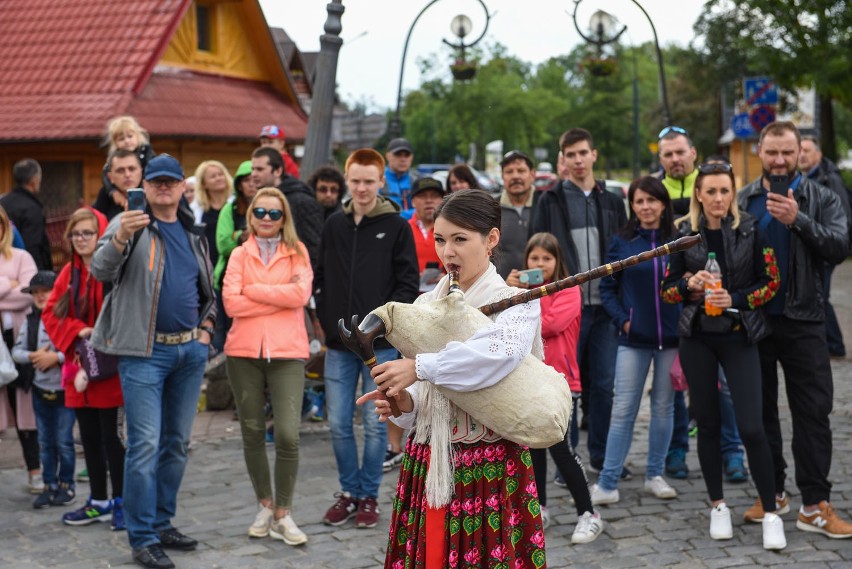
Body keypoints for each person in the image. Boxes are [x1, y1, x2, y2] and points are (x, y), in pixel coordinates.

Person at [357, 189, 547, 566]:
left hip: (491, 460)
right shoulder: (426, 305)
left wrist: (419, 366)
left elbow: (498, 356)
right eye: (441, 240)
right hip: (429, 458)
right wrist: (403, 399)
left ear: (491, 239)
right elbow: (424, 396)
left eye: (460, 239)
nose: (448, 252)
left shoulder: (518, 302)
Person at [91, 154, 216, 569]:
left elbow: (207, 291)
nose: (163, 188)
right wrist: (121, 236)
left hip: (189, 351)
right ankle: (142, 537)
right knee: (144, 445)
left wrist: (206, 331)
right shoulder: (129, 223)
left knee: (176, 444)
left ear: (183, 187)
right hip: (143, 353)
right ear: (144, 186)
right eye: (155, 182)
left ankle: (162, 523)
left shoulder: (193, 232)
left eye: (170, 182)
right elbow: (100, 270)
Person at [661, 160, 785, 549]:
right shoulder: (684, 233)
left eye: (724, 191)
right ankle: (718, 505)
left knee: (752, 426)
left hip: (739, 334)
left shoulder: (751, 227)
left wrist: (737, 298)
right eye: (710, 191)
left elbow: (772, 283)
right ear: (699, 193)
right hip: (697, 336)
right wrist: (688, 283)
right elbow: (667, 290)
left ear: (733, 193)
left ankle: (770, 511)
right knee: (709, 423)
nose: (718, 198)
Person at [738, 121, 852, 538]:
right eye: (772, 152)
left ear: (801, 152)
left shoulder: (820, 196)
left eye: (788, 152)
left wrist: (799, 220)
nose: (781, 160)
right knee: (761, 413)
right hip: (756, 322)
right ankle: (773, 495)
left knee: (813, 413)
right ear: (760, 153)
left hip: (806, 320)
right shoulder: (744, 198)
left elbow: (841, 247)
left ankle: (814, 503)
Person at [314, 148, 419, 530]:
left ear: (380, 182)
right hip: (340, 345)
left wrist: (382, 325)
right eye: (355, 181)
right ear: (347, 180)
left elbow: (407, 285)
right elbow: (321, 276)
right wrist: (327, 320)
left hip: (380, 346)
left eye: (368, 181)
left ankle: (369, 495)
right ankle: (349, 493)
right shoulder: (333, 225)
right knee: (339, 423)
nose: (361, 188)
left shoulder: (396, 226)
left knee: (376, 424)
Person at [531, 127, 627, 473]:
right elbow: (537, 250)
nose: (577, 160)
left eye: (582, 153)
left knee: (602, 385)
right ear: (563, 159)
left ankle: (600, 457)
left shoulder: (613, 201)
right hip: (565, 308)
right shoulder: (550, 200)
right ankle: (566, 460)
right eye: (570, 155)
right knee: (564, 385)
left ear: (594, 155)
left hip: (605, 307)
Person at [222, 187, 312, 545]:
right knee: (253, 431)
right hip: (242, 352)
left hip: (288, 352)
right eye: (260, 211)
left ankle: (283, 513)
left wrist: (253, 291)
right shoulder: (239, 254)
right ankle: (265, 503)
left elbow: (300, 296)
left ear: (284, 217)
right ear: (251, 215)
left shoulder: (297, 252)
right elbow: (230, 303)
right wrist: (279, 298)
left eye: (274, 213)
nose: (266, 218)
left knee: (288, 434)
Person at [511, 231, 604, 543]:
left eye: (546, 259)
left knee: (562, 451)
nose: (540, 264)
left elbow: (548, 325)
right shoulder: (520, 290)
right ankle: (541, 507)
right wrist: (511, 290)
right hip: (527, 379)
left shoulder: (568, 289)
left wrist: (524, 297)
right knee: (534, 449)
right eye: (534, 259)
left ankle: (589, 513)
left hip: (561, 382)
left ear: (557, 260)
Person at [594, 176, 681, 505]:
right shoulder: (622, 241)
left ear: (663, 204)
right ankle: (608, 482)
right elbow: (606, 288)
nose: (645, 207)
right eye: (639, 201)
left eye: (651, 200)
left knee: (663, 408)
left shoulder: (678, 240)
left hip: (671, 340)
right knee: (623, 409)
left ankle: (655, 475)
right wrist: (624, 321)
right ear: (632, 206)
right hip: (633, 339)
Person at [42, 207, 126, 531]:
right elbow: (52, 313)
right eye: (75, 234)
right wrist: (78, 329)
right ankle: (99, 501)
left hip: (110, 369)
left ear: (101, 234)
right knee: (89, 438)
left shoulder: (115, 269)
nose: (81, 240)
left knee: (113, 439)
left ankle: (120, 501)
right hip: (78, 369)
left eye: (87, 233)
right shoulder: (68, 273)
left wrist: (99, 333)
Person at [382, 177, 446, 474]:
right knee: (399, 377)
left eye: (435, 195)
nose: (429, 201)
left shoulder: (446, 232)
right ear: (414, 201)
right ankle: (393, 445)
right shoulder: (404, 229)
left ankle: (431, 431)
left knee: (431, 374)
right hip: (408, 310)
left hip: (439, 311)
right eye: (424, 196)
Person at [12, 270, 75, 509]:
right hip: (40, 391)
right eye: (35, 292)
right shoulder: (31, 322)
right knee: (46, 442)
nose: (39, 296)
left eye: (45, 291)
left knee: (64, 441)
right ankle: (49, 485)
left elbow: (77, 348)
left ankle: (66, 484)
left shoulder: (67, 318)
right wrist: (34, 356)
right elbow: (16, 352)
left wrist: (56, 357)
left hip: (64, 392)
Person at [799, 135, 851, 358]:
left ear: (818, 155)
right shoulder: (806, 180)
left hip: (828, 247)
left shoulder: (830, 181)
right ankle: (831, 344)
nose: (802, 155)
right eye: (799, 150)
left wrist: (832, 243)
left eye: (807, 151)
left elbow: (844, 218)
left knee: (821, 297)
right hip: (815, 246)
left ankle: (835, 345)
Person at [0, 205, 40, 492]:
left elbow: (28, 295)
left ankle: (34, 470)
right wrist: (6, 284)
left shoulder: (22, 256)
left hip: (20, 338)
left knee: (26, 407)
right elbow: (15, 291)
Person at [251, 147, 324, 272]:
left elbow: (315, 247)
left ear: (278, 171)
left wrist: (304, 281)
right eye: (253, 169)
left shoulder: (302, 201)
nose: (254, 174)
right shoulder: (259, 199)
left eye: (260, 169)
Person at [94, 116, 156, 217]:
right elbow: (105, 174)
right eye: (121, 139)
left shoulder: (146, 152)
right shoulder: (114, 158)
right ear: (115, 143)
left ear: (137, 136)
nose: (126, 141)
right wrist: (112, 191)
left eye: (130, 136)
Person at [1, 159, 52, 270]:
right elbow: (33, 246)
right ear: (34, 180)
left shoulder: (2, 202)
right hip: (23, 270)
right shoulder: (32, 209)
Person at [214, 161, 256, 291]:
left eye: (255, 179)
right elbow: (223, 244)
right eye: (246, 180)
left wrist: (237, 234)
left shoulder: (271, 208)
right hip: (228, 279)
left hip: (258, 280)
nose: (251, 184)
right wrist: (243, 236)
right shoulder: (229, 209)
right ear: (239, 185)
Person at [496, 150, 539, 279]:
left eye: (521, 171)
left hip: (543, 290)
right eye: (509, 172)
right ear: (502, 177)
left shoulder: (546, 205)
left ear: (532, 174)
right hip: (501, 291)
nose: (515, 176)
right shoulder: (490, 208)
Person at [657, 126, 699, 216]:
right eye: (668, 155)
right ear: (660, 160)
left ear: (693, 153)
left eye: (680, 152)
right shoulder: (653, 191)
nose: (675, 159)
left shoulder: (710, 187)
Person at [93, 149, 144, 221]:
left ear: (141, 172)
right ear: (110, 177)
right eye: (120, 171)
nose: (127, 175)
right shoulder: (104, 199)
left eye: (132, 169)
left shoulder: (151, 194)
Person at [382, 138, 419, 219]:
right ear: (388, 156)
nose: (403, 159)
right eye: (398, 154)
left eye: (407, 155)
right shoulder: (377, 180)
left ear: (412, 157)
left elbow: (428, 210)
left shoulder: (418, 180)